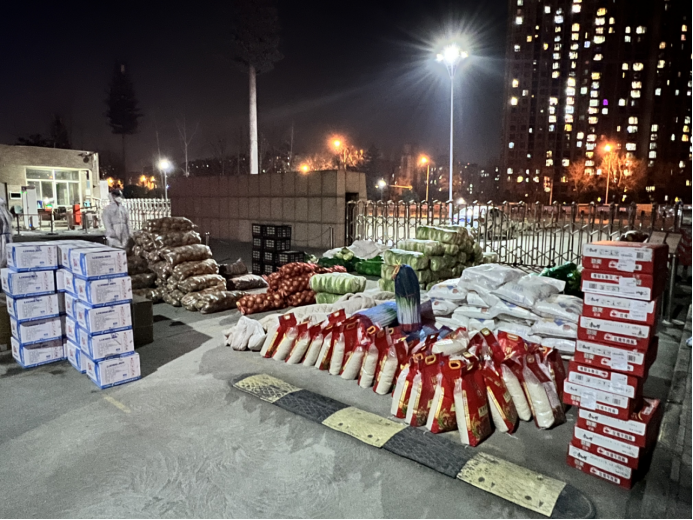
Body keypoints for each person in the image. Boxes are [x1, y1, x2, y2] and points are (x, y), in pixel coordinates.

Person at [0, 197, 13, 268]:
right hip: (3, 235)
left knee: (7, 251)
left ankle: (7, 263)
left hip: (7, 234)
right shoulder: (3, 213)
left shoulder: (6, 213)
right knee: (3, 251)